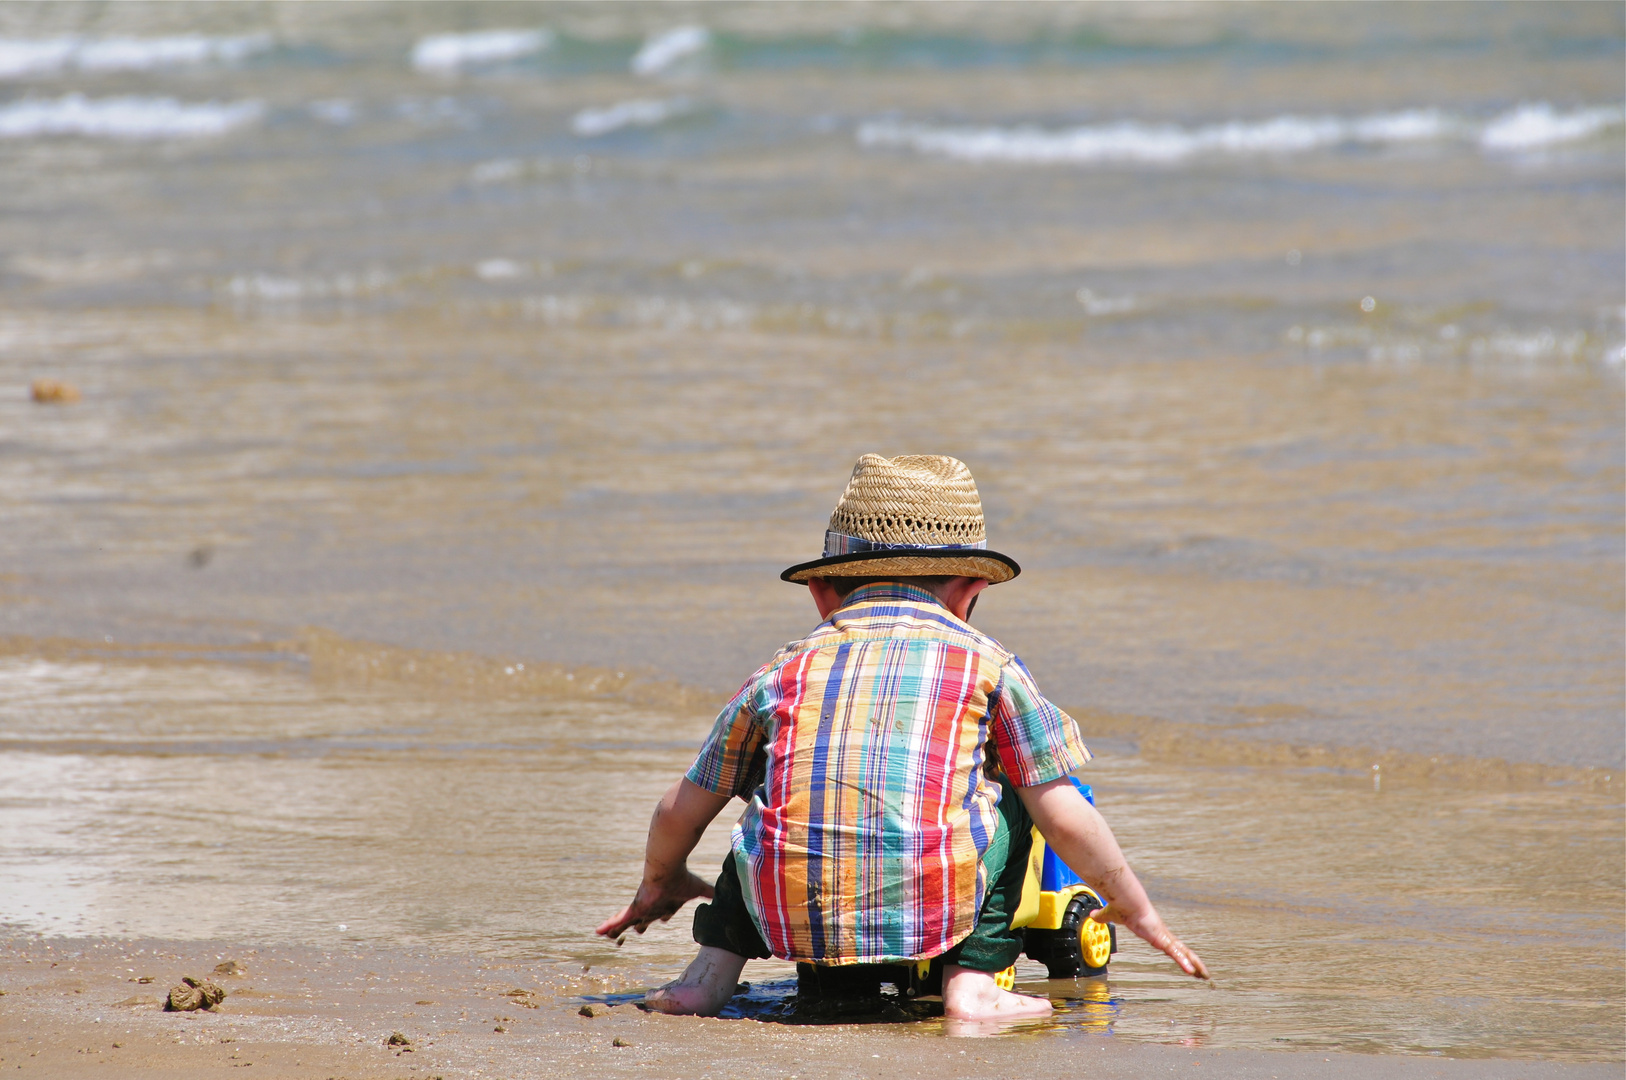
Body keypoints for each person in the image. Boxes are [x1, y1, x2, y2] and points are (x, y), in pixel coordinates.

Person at [597, 454, 1208, 1020]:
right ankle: (972, 983)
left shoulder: (781, 671)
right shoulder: (987, 665)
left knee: (764, 796)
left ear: (821, 592)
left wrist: (661, 880)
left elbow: (683, 807)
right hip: (938, 903)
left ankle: (707, 975)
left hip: (789, 910)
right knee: (1024, 793)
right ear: (973, 591)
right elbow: (1066, 815)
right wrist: (1133, 903)